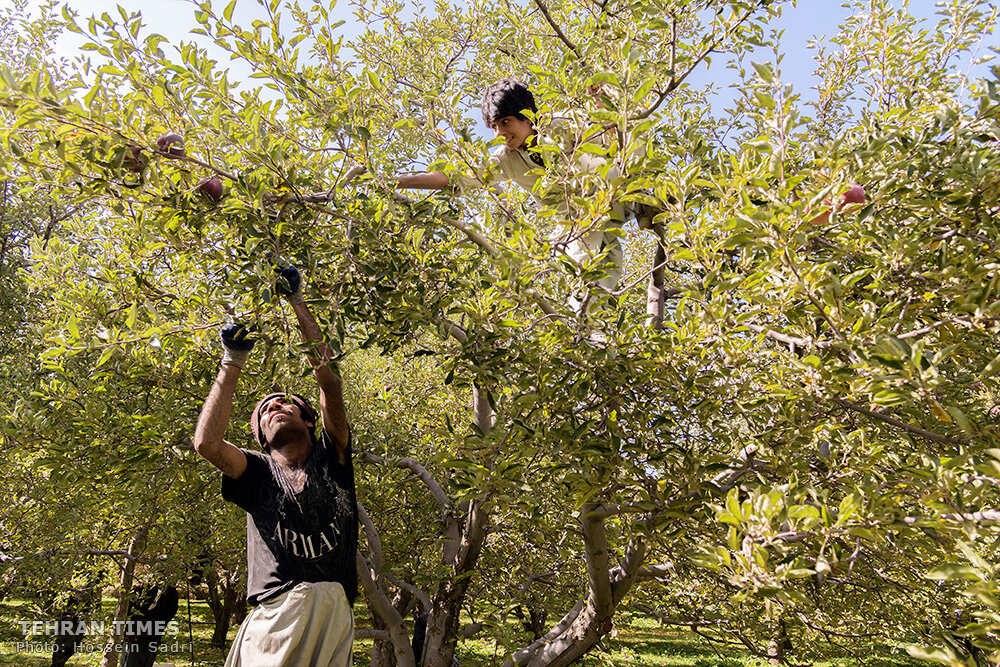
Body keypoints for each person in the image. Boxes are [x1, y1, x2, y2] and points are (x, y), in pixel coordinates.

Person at [193, 265, 357, 667]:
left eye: (286, 404)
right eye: (265, 411)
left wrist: (297, 301)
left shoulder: (333, 455)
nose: (275, 408)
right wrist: (232, 359)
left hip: (335, 612)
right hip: (278, 614)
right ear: (262, 438)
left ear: (309, 421)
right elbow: (207, 445)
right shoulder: (256, 471)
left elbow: (330, 383)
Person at [397, 78, 626, 299]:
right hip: (577, 222)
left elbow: (610, 140)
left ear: (528, 116)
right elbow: (455, 177)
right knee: (593, 286)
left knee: (614, 165)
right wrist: (399, 183)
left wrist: (601, 102)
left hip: (609, 191)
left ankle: (641, 204)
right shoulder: (506, 159)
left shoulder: (561, 126)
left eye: (505, 122)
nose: (499, 133)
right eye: (493, 127)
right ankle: (592, 317)